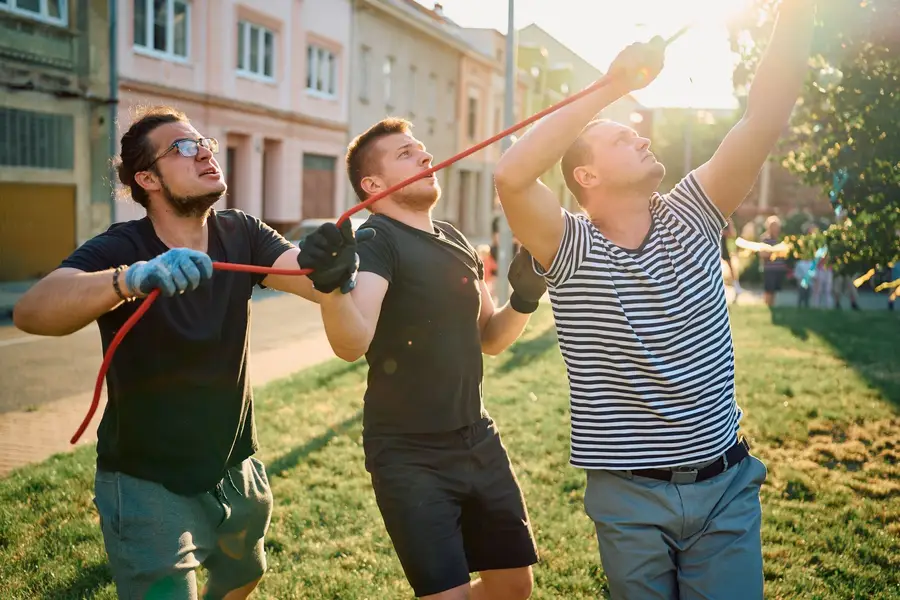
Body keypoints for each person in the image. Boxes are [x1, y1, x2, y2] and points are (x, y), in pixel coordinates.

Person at [492, 1, 815, 598]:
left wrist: (794, 12)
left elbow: (764, 117)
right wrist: (611, 88)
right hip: (628, 496)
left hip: (726, 486)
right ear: (586, 178)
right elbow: (513, 177)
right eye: (620, 137)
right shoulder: (571, 246)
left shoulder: (694, 210)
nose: (638, 134)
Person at [11, 106, 361, 600]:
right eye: (183, 147)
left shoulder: (241, 232)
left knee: (244, 577)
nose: (205, 153)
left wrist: (327, 265)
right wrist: (129, 279)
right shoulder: (121, 246)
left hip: (235, 467)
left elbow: (304, 275)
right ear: (147, 178)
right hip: (146, 480)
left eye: (205, 144)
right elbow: (32, 311)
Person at [299, 118, 545, 600]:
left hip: (476, 436)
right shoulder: (376, 241)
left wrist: (524, 299)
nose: (426, 158)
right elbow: (352, 342)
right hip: (409, 453)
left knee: (513, 584)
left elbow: (490, 339)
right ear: (373, 185)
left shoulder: (453, 237)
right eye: (406, 154)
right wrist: (330, 288)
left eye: (423, 150)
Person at [759, 215, 788, 306]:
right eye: (773, 226)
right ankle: (766, 305)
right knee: (769, 290)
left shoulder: (780, 239)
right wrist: (774, 252)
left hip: (779, 269)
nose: (775, 228)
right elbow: (762, 254)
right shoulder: (765, 239)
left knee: (774, 290)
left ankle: (772, 306)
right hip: (769, 269)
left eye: (776, 226)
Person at [721, 219, 743, 298]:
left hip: (724, 248)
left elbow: (732, 233)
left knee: (731, 269)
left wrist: (723, 232)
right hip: (716, 247)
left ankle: (737, 287)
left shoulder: (727, 220)